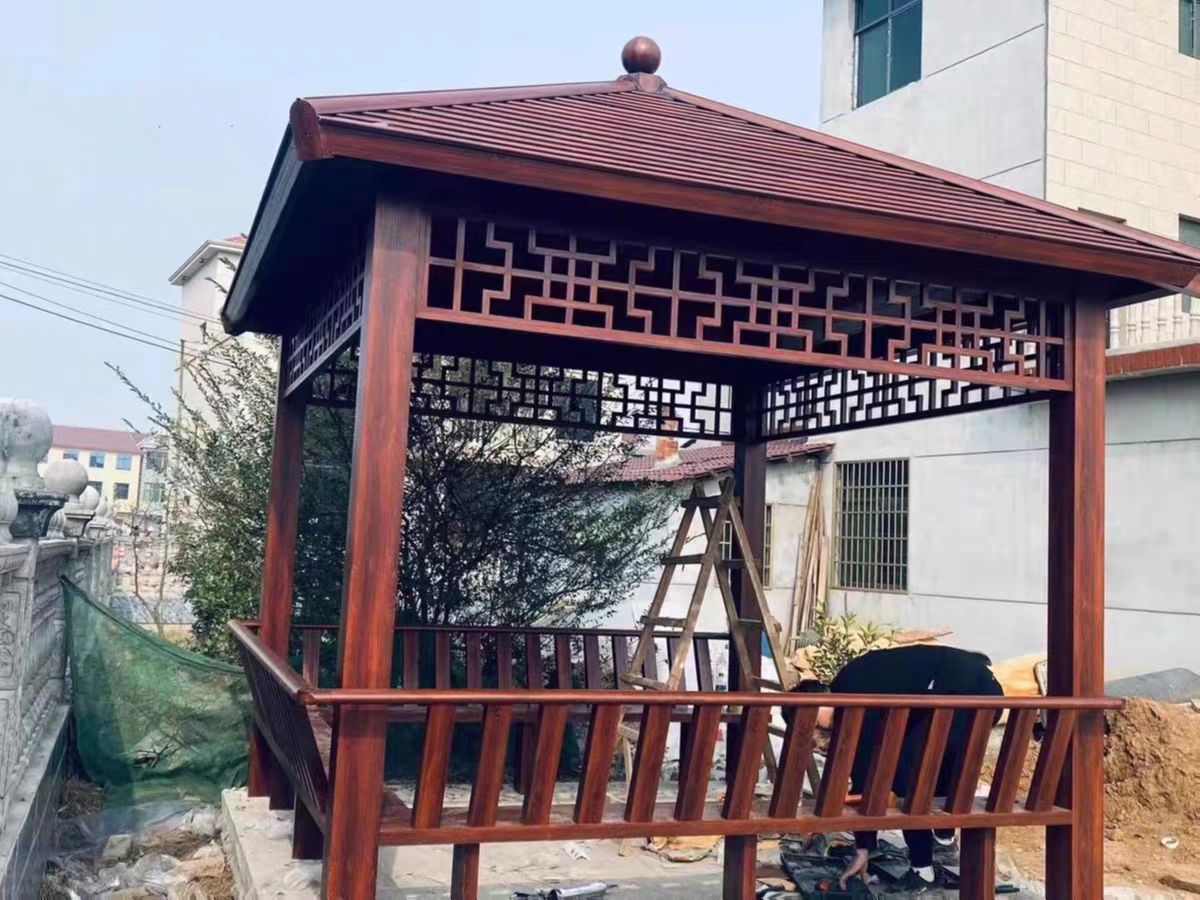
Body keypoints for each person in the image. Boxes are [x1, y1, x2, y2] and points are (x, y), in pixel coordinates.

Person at [796, 644, 1004, 892]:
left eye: (813, 724)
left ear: (818, 700)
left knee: (908, 777)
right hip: (982, 690)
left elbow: (865, 775)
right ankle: (942, 841)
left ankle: (923, 870)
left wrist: (863, 848)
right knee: (924, 762)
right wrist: (865, 843)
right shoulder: (853, 681)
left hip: (964, 695)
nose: (819, 732)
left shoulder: (852, 698)